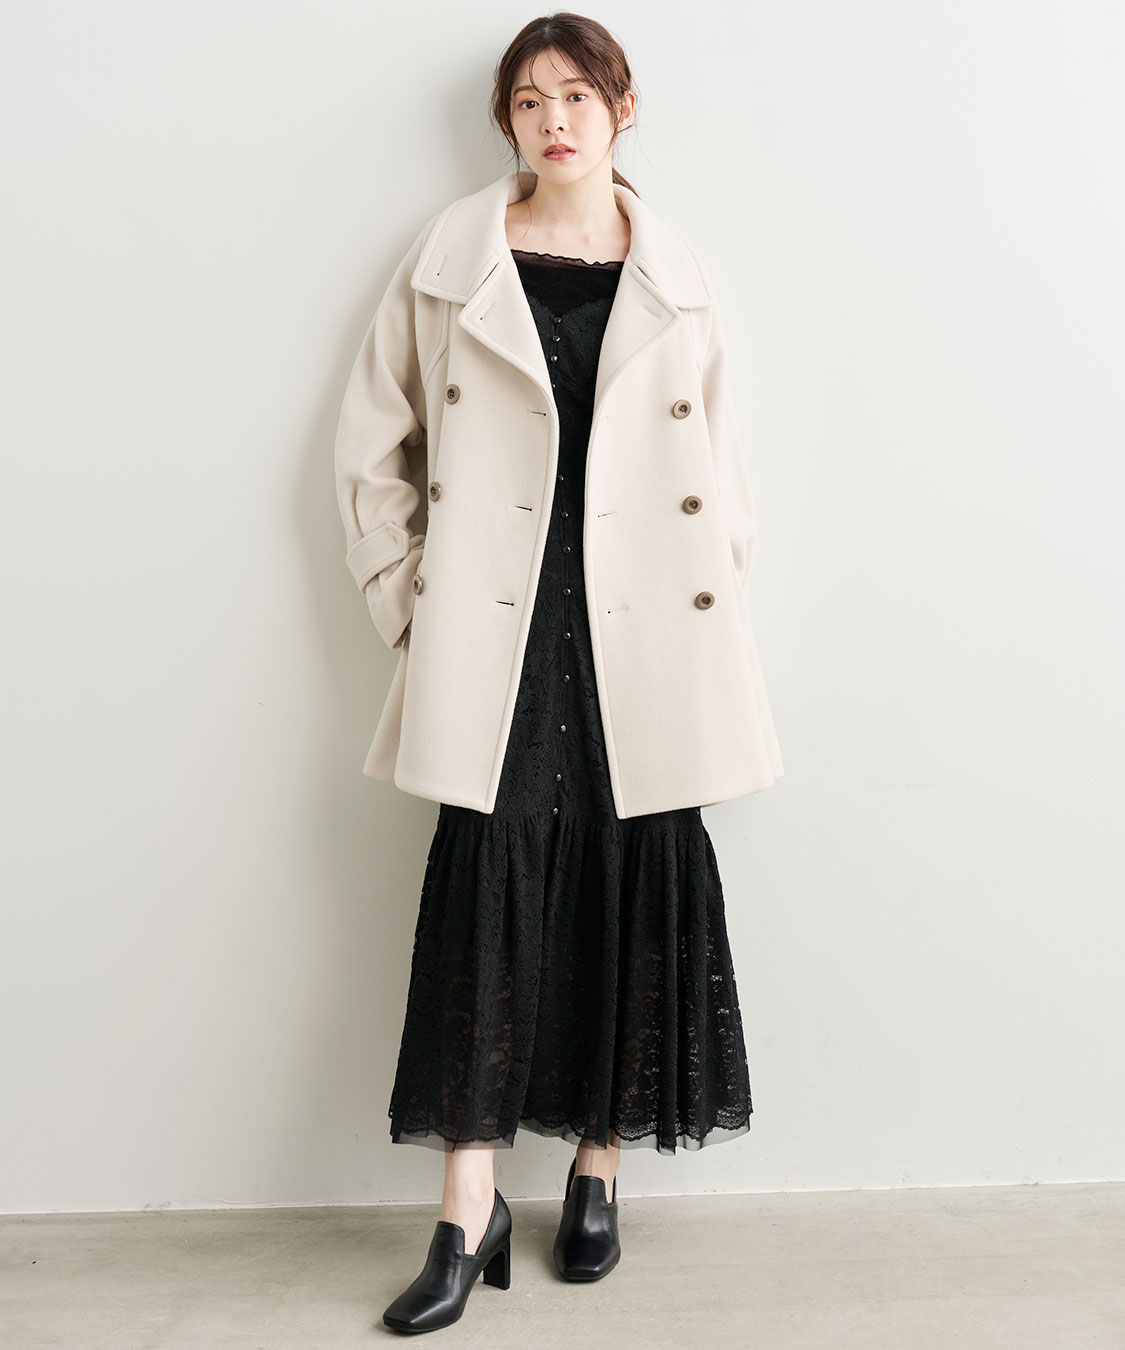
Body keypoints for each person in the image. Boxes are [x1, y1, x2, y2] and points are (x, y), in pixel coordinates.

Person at [333, 12, 784, 1335]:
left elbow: (722, 475)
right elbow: (370, 448)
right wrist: (409, 604)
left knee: (633, 875)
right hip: (501, 622)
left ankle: (598, 1163)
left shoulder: (676, 274)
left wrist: (715, 612)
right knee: (487, 876)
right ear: (508, 123)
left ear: (621, 109)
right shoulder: (449, 263)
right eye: (528, 101)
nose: (554, 121)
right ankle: (465, 1209)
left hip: (649, 630)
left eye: (577, 95)